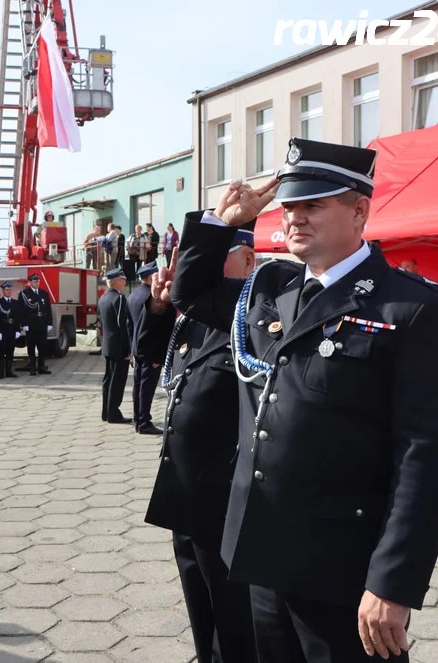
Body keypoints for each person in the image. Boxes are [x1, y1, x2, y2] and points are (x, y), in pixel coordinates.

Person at [170, 137, 438, 662]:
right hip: (260, 552)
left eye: (314, 205)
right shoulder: (272, 288)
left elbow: (428, 453)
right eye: (290, 206)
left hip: (342, 567)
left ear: (359, 212)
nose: (295, 219)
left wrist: (393, 582)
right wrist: (223, 224)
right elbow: (190, 294)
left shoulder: (409, 307)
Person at [142, 221, 258, 663]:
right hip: (184, 486)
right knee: (198, 597)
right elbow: (151, 356)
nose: (191, 264)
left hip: (225, 493)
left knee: (232, 609)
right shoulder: (195, 316)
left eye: (210, 254)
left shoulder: (253, 315)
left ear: (247, 260)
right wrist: (158, 305)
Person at [127, 261, 163, 435]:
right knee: (147, 387)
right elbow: (156, 329)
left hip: (137, 347)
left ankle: (137, 417)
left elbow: (129, 325)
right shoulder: (153, 298)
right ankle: (144, 422)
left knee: (138, 385)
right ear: (151, 277)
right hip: (150, 350)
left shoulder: (132, 295)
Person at [98, 267, 132, 424]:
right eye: (123, 279)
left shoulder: (104, 298)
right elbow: (122, 325)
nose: (125, 282)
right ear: (116, 281)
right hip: (118, 346)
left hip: (108, 345)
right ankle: (113, 413)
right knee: (117, 381)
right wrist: (128, 348)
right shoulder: (119, 299)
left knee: (108, 380)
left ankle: (106, 412)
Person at [20, 274, 52, 375]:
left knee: (42, 346)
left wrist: (49, 323)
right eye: (34, 281)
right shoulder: (24, 294)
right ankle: (32, 368)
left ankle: (42, 367)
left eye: (38, 281)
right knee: (31, 347)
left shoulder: (44, 293)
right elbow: (22, 310)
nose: (36, 283)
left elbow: (48, 309)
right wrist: (24, 323)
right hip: (31, 324)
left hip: (42, 323)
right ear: (29, 283)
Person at [0, 282, 22, 379]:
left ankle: (9, 371)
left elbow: (17, 317)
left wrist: (18, 330)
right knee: (1, 352)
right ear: (3, 291)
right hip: (2, 330)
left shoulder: (15, 303)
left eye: (10, 290)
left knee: (10, 351)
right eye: (6, 290)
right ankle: (1, 373)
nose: (8, 291)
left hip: (12, 330)